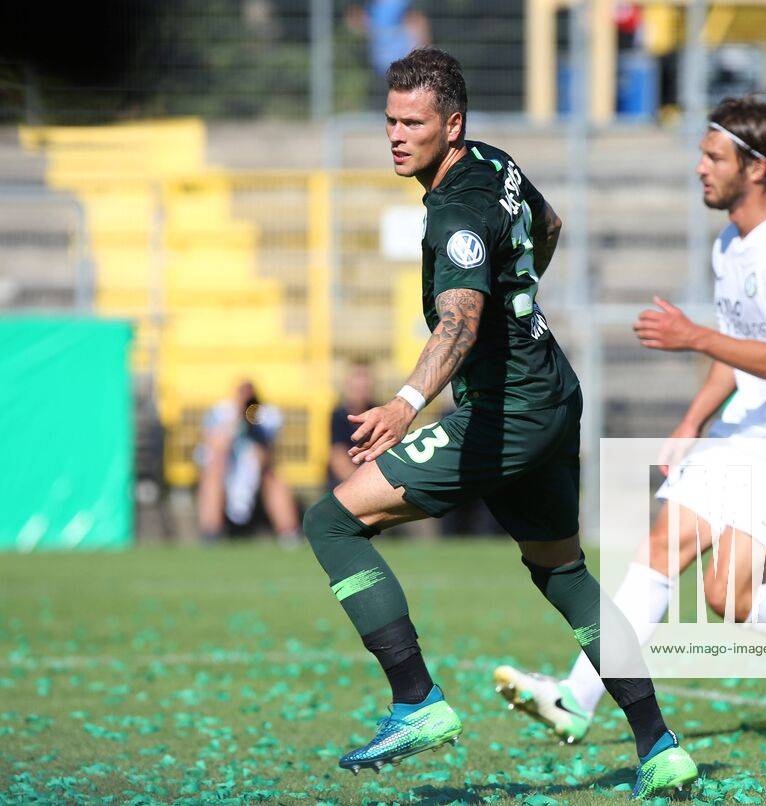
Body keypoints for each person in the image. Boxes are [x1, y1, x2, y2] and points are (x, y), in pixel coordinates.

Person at [301, 47, 697, 797]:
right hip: (552, 396)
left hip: (507, 414)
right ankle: (661, 747)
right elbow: (549, 223)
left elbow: (460, 319)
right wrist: (521, 287)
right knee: (564, 573)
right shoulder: (495, 162)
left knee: (330, 521)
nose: (395, 134)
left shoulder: (454, 211)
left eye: (412, 122)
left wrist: (406, 402)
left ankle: (415, 700)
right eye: (389, 119)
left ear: (452, 125)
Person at [494, 97, 766, 746]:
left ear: (758, 168)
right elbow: (739, 354)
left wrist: (693, 337)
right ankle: (576, 698)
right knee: (660, 548)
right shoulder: (728, 243)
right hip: (749, 431)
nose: (699, 168)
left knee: (726, 595)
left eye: (713, 157)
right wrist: (690, 422)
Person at [196, 380, 300, 544]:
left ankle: (289, 534)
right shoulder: (221, 412)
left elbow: (268, 453)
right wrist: (237, 420)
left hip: (255, 473)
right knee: (214, 473)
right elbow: (216, 447)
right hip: (226, 469)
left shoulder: (267, 415)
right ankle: (211, 532)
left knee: (274, 477)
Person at [329, 359, 378, 486]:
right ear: (347, 382)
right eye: (358, 376)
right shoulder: (338, 416)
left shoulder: (378, 413)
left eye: (366, 376)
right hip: (349, 484)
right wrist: (364, 486)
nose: (362, 383)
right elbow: (338, 460)